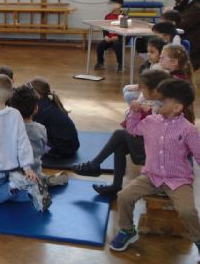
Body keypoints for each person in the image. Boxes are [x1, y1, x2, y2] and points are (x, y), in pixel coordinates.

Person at [109, 79, 200, 252]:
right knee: (124, 196)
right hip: (151, 176)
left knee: (187, 211)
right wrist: (134, 112)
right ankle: (127, 230)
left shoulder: (188, 129)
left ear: (177, 108)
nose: (155, 102)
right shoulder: (151, 121)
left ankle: (198, 238)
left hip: (178, 180)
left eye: (162, 100)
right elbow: (132, 129)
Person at [72, 69, 171, 197]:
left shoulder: (165, 107)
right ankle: (115, 185)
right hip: (150, 146)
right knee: (120, 144)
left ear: (156, 90)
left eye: (144, 89)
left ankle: (94, 165)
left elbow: (146, 132)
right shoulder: (156, 103)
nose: (141, 91)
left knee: (119, 135)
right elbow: (134, 129)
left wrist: (144, 111)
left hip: (157, 154)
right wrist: (136, 111)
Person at [0, 75, 51, 212]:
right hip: (13, 169)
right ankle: (29, 192)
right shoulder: (15, 114)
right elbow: (23, 142)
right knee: (3, 192)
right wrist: (26, 167)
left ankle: (14, 184)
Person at [10, 85, 68, 188]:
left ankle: (33, 187)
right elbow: (42, 149)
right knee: (38, 175)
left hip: (15, 174)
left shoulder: (8, 129)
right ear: (36, 109)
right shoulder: (41, 129)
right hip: (35, 171)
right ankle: (43, 182)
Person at [28, 77, 79, 159]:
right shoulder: (50, 101)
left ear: (36, 93)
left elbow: (33, 130)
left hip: (61, 150)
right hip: (73, 145)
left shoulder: (40, 108)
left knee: (28, 144)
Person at [123, 37, 166, 104]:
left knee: (128, 95)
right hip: (149, 90)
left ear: (161, 54)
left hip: (154, 96)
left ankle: (137, 108)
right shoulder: (152, 64)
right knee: (126, 88)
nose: (148, 54)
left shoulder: (158, 67)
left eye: (152, 52)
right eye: (148, 51)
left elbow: (148, 88)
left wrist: (138, 102)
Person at [173, 0, 200, 69]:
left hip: (192, 45)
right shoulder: (186, 4)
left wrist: (170, 18)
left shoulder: (196, 7)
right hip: (184, 39)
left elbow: (182, 26)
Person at [94, 0, 124, 72]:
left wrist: (118, 37)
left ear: (119, 5)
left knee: (117, 45)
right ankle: (100, 62)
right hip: (109, 39)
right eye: (110, 3)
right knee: (100, 45)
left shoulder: (124, 17)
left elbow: (126, 31)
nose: (110, 5)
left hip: (120, 39)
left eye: (112, 3)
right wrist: (105, 36)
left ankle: (120, 64)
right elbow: (105, 29)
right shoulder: (107, 16)